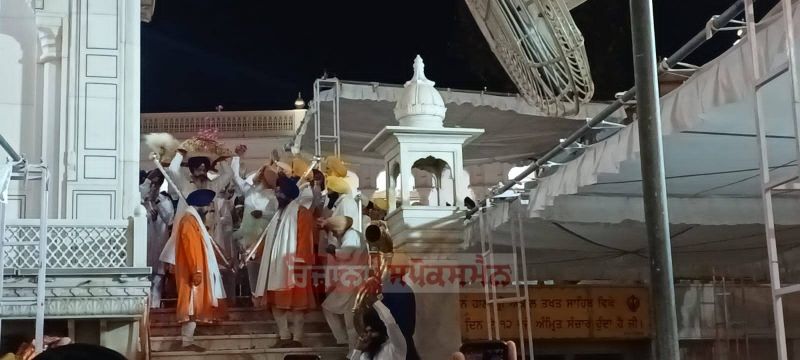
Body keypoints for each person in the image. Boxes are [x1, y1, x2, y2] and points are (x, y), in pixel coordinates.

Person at [252, 175, 316, 348]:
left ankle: (297, 339)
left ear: (288, 193)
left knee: (297, 305)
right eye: (277, 190)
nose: (277, 193)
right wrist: (256, 252)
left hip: (295, 266)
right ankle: (284, 336)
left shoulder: (301, 212)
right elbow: (269, 238)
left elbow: (305, 239)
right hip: (276, 267)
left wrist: (300, 262)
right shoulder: (277, 214)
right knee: (275, 302)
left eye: (280, 191)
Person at [159, 189, 227, 351]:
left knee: (194, 306)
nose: (209, 209)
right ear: (201, 205)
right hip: (192, 273)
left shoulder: (192, 220)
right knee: (190, 306)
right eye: (208, 205)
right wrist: (196, 270)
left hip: (195, 270)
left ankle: (188, 341)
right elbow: (191, 248)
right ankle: (186, 342)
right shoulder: (189, 221)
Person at [321, 216, 370, 349]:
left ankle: (351, 350)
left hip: (353, 283)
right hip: (351, 281)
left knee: (352, 322)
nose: (334, 234)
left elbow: (346, 253)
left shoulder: (351, 235)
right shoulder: (353, 234)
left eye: (333, 231)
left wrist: (333, 250)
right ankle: (344, 341)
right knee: (344, 316)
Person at [139, 169, 174, 308]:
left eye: (157, 184)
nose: (154, 187)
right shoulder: (140, 201)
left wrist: (157, 202)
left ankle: (155, 309)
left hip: (159, 247)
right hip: (144, 249)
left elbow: (169, 219)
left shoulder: (164, 200)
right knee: (143, 281)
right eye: (151, 184)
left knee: (158, 281)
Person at [352, 295, 407, 360]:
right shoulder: (364, 356)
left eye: (372, 331)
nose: (368, 335)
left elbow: (390, 323)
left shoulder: (395, 347)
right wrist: (357, 350)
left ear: (381, 330)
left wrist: (377, 303)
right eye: (366, 332)